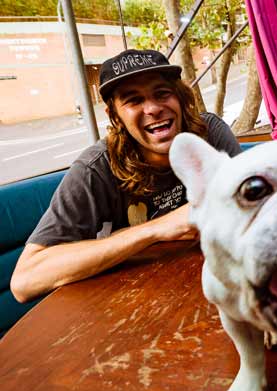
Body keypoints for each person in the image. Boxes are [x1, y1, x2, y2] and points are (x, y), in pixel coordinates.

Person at [11, 49, 241, 303]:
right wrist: (157, 229)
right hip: (133, 299)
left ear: (179, 98)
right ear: (115, 116)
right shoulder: (95, 168)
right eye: (133, 100)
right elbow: (25, 281)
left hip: (215, 283)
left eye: (162, 93)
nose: (153, 108)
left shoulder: (209, 135)